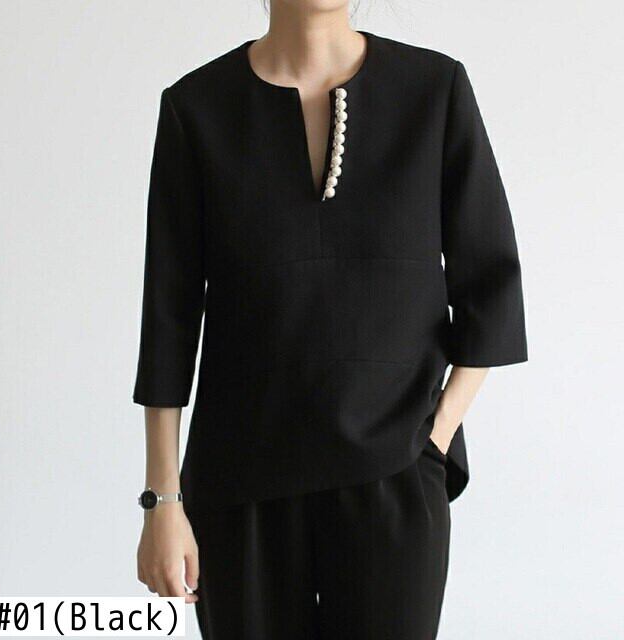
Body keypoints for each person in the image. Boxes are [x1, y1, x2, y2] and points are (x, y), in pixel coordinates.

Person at [133, 3, 528, 638]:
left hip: (396, 471)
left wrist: (435, 435)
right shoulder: (197, 107)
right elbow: (168, 317)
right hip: (240, 483)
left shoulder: (434, 90)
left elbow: (491, 283)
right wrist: (163, 500)